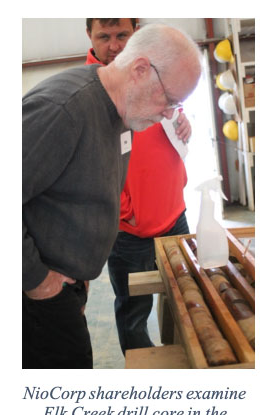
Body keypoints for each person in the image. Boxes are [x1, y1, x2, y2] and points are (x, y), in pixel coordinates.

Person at [22, 22, 201, 369]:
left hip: (67, 283)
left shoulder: (121, 110)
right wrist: (37, 281)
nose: (169, 112)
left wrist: (82, 274)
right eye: (170, 100)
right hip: (35, 291)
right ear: (140, 70)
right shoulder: (63, 110)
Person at [85, 19, 201, 355]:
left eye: (122, 35)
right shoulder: (90, 90)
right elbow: (88, 166)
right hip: (128, 233)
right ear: (89, 37)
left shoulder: (155, 69)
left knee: (188, 301)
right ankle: (143, 376)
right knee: (135, 313)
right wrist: (124, 212)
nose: (115, 46)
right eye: (104, 37)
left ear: (136, 31)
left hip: (174, 216)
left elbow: (171, 114)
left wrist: (182, 123)